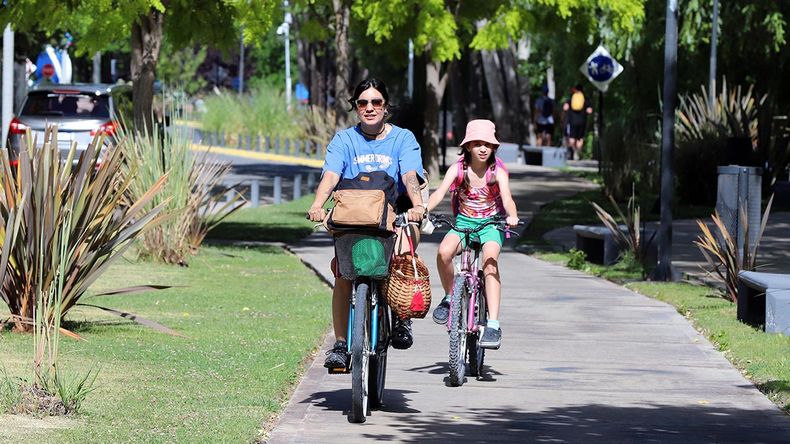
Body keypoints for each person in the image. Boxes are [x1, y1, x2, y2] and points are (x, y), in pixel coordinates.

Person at [306, 78, 427, 370]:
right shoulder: (344, 140)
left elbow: (409, 175)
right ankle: (340, 345)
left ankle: (401, 318)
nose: (369, 107)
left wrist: (418, 205)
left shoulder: (403, 138)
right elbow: (331, 176)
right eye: (363, 103)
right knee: (343, 272)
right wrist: (317, 205)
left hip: (393, 213)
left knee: (403, 248)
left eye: (376, 102)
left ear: (386, 106)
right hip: (354, 216)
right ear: (356, 107)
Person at [425, 119, 519, 349]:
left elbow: (507, 198)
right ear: (467, 146)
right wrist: (423, 209)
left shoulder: (497, 172)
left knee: (490, 262)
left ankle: (493, 324)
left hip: (491, 225)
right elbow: (439, 193)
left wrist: (512, 216)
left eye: (487, 144)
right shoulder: (458, 169)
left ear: (494, 146)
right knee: (444, 252)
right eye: (477, 144)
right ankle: (450, 297)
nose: (483, 148)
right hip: (464, 223)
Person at [562, 84, 593, 160]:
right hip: (582, 121)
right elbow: (590, 111)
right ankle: (577, 153)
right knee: (580, 138)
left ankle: (572, 152)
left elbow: (565, 108)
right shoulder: (585, 98)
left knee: (572, 137)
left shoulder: (571, 98)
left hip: (572, 121)